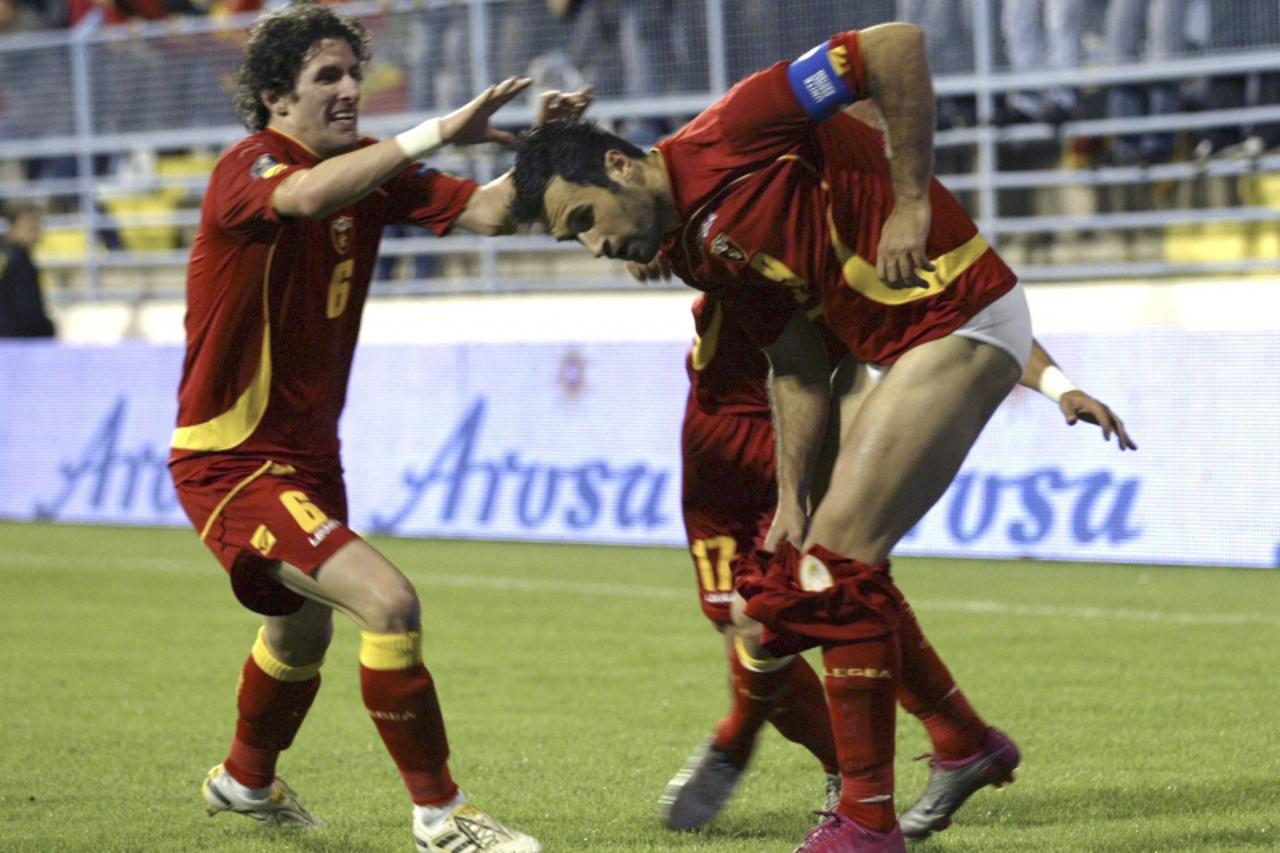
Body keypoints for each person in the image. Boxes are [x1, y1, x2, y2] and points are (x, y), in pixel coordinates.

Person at [511, 21, 1083, 850]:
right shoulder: (696, 247)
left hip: (957, 314)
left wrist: (913, 200)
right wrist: (789, 499)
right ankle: (956, 746)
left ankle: (862, 817)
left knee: (831, 570)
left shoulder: (734, 127)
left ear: (619, 165)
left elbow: (893, 45)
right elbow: (795, 363)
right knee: (803, 577)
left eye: (587, 221)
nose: (597, 246)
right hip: (912, 347)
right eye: (577, 241)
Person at [167, 3, 587, 851]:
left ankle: (245, 780)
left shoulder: (367, 167)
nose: (351, 89)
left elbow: (492, 213)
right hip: (232, 459)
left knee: (301, 628)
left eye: (354, 73)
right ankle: (441, 813)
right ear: (275, 99)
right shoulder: (251, 165)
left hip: (310, 457)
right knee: (387, 602)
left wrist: (545, 153)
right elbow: (305, 195)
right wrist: (438, 130)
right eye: (328, 77)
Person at [658, 290, 1135, 835]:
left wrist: (1061, 387)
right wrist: (642, 225)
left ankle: (805, 764)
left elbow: (974, 313)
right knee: (742, 622)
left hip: (809, 430)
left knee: (803, 593)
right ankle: (953, 742)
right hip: (716, 444)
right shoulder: (728, 223)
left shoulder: (854, 245)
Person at [0, 203, 56, 338]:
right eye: (33, 225)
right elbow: (25, 306)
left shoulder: (22, 258)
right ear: (19, 223)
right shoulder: (12, 259)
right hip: (14, 340)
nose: (37, 230)